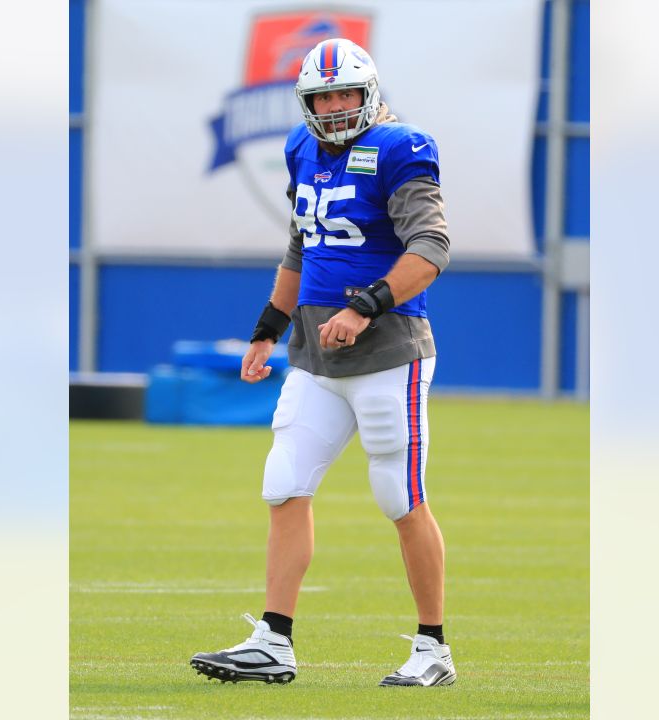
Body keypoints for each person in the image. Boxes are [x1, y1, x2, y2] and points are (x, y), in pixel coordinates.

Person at [189, 38, 454, 688]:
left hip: (390, 349)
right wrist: (266, 330)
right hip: (312, 352)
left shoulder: (401, 146)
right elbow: (300, 245)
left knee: (399, 494)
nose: (334, 108)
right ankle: (273, 640)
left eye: (344, 94)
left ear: (368, 94)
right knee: (284, 482)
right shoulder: (300, 148)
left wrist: (366, 304)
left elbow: (434, 244)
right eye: (322, 97)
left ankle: (433, 649)